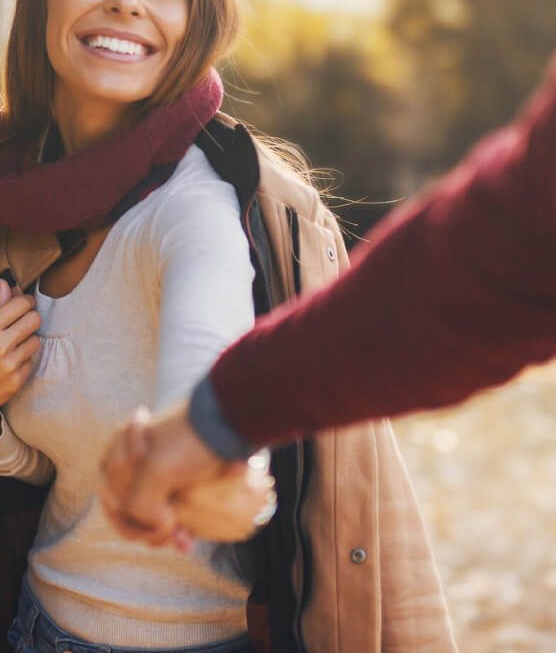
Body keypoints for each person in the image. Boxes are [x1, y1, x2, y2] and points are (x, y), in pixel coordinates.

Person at [0, 0, 454, 653]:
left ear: (195, 22)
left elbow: (205, 366)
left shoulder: (199, 208)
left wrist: (212, 462)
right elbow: (56, 474)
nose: (126, 2)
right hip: (36, 630)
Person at [98, 49, 556, 550]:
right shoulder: (5, 196)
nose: (127, 1)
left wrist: (216, 421)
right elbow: (501, 248)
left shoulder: (203, 200)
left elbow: (497, 255)